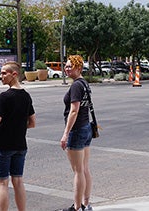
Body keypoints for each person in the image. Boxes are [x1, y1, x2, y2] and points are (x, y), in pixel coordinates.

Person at [0, 61, 36, 211]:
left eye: (4, 73)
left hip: (3, 146)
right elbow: (32, 122)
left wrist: (3, 128)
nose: (0, 76)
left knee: (2, 183)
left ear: (14, 74)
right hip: (20, 146)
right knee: (18, 181)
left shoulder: (4, 97)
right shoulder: (26, 96)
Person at [60, 55, 93, 211]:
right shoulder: (84, 84)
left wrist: (66, 133)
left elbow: (74, 111)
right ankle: (86, 204)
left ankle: (77, 207)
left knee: (78, 171)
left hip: (77, 130)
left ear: (78, 68)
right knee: (84, 169)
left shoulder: (76, 86)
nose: (67, 69)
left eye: (70, 66)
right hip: (86, 128)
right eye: (66, 66)